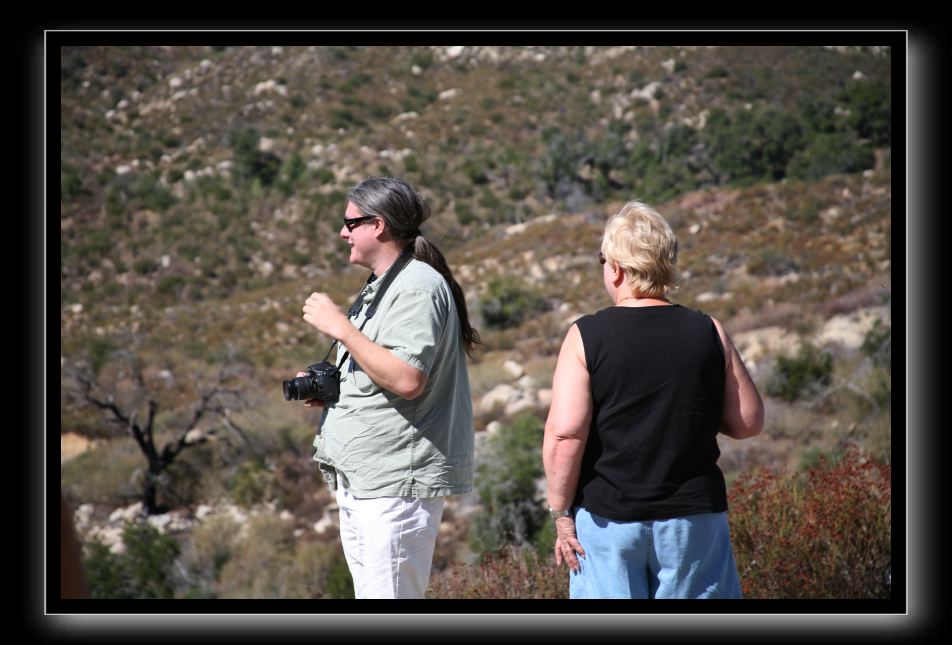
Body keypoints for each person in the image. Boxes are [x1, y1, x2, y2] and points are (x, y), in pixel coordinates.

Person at [542, 200, 764, 599]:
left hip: (609, 522)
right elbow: (748, 421)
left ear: (616, 269)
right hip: (692, 522)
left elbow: (565, 436)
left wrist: (561, 515)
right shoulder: (707, 329)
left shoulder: (586, 335)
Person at [298, 176, 480, 599]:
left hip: (395, 481)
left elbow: (407, 378)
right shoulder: (386, 285)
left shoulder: (417, 286)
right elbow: (382, 366)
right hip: (369, 478)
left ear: (377, 225)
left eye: (350, 222)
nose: (343, 232)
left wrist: (341, 328)